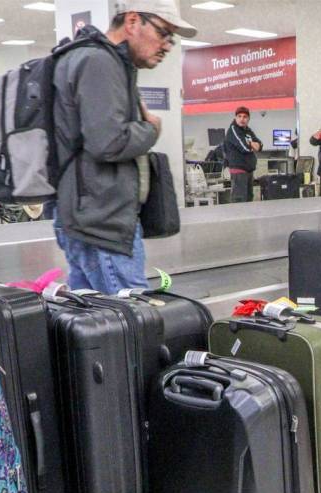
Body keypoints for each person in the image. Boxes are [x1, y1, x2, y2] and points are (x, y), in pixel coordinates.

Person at [52, 0, 196, 294]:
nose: (168, 46)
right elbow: (108, 142)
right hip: (102, 224)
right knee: (131, 323)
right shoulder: (99, 62)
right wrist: (150, 129)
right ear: (132, 21)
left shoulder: (101, 61)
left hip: (92, 219)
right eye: (164, 33)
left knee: (96, 323)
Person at [223, 107, 262, 203]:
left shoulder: (248, 130)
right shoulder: (233, 129)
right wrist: (252, 144)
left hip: (249, 171)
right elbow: (244, 147)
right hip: (238, 170)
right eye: (239, 116)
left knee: (249, 199)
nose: (242, 119)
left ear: (248, 119)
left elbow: (260, 146)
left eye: (245, 117)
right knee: (239, 200)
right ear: (235, 117)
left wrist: (252, 144)